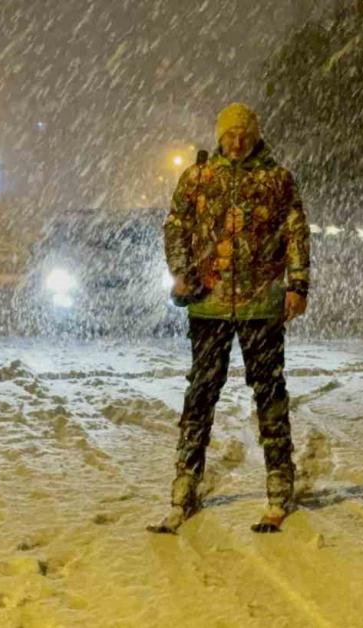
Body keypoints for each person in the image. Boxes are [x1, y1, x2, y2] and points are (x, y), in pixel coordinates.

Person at [150, 102, 311, 534]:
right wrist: (182, 272)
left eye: (243, 133)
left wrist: (298, 284)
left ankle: (279, 479)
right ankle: (186, 479)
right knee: (201, 392)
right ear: (219, 136)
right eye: (229, 134)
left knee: (269, 392)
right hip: (210, 305)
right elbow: (176, 224)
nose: (236, 141)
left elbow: (296, 230)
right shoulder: (199, 178)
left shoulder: (277, 179)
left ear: (255, 135)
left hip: (262, 306)